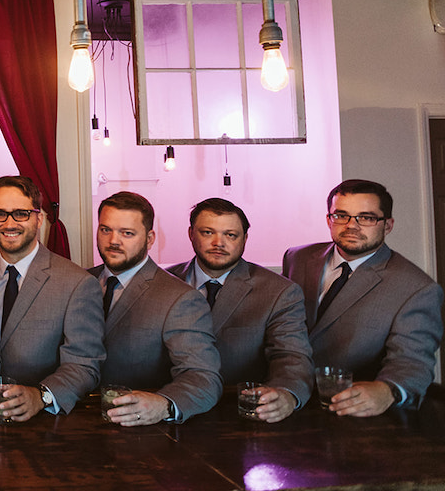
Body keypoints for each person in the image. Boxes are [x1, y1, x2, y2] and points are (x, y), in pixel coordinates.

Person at [282, 179, 444, 416]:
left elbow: (412, 362)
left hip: (352, 410)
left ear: (387, 225)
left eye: (366, 218)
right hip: (284, 397)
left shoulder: (418, 289)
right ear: (329, 220)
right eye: (341, 216)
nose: (351, 225)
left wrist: (387, 390)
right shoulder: (297, 258)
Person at [166, 198, 312, 422]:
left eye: (230, 235)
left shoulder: (279, 292)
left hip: (243, 412)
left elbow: (291, 356)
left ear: (245, 238)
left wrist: (286, 393)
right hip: (170, 407)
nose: (219, 243)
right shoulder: (165, 283)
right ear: (191, 234)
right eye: (207, 232)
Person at [91, 191, 221, 425]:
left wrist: (164, 405)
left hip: (139, 427)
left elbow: (204, 377)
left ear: (150, 239)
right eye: (105, 230)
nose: (113, 241)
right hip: (70, 418)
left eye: (127, 233)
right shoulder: (78, 282)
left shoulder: (180, 298)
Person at [0, 176, 104, 421]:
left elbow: (84, 365)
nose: (9, 223)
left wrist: (41, 396)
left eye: (21, 214)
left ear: (39, 218)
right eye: (0, 214)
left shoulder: (76, 283)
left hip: (41, 422)